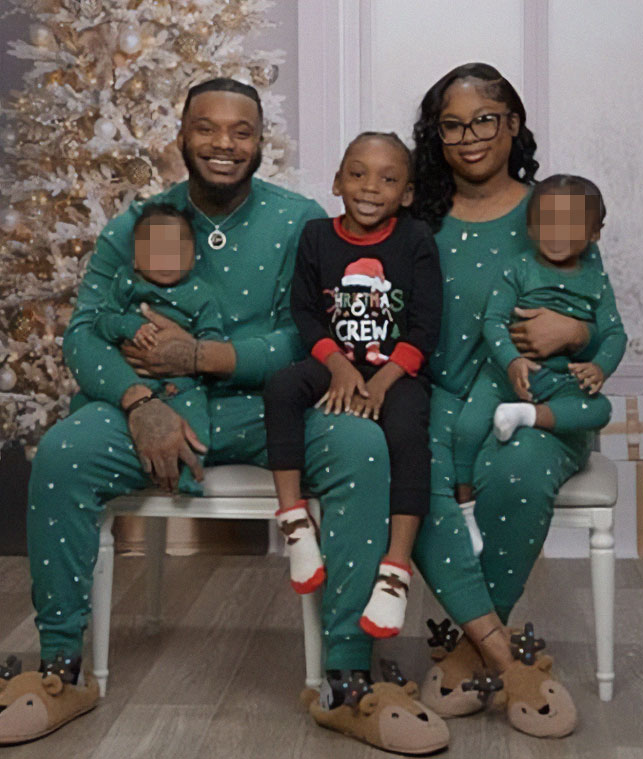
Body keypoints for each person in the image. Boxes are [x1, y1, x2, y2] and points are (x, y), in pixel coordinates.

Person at [2, 77, 448, 754]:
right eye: (206, 127)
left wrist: (203, 354)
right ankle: (61, 668)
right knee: (63, 452)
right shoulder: (137, 224)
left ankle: (348, 677)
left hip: (271, 407)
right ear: (180, 136)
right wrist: (137, 399)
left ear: (260, 141)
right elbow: (84, 333)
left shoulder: (301, 221)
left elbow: (305, 335)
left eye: (241, 131)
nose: (223, 144)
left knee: (360, 443)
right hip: (154, 410)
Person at [398, 63, 619, 738]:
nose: (468, 137)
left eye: (484, 120)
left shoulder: (551, 206)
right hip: (433, 396)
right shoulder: (417, 218)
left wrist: (576, 330)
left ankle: (466, 649)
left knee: (516, 470)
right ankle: (504, 654)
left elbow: (596, 309)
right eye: (452, 125)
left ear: (513, 124)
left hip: (537, 398)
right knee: (414, 472)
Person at [264, 132, 442, 639]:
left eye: (388, 179)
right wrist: (338, 366)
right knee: (281, 388)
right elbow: (304, 311)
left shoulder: (415, 240)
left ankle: (395, 570)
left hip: (396, 370)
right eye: (358, 173)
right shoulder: (318, 236)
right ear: (338, 179)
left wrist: (384, 381)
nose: (370, 187)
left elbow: (427, 326)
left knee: (408, 434)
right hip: (336, 362)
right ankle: (295, 521)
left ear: (406, 194)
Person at [453, 174, 627, 508]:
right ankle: (465, 507)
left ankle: (528, 416)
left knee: (599, 409)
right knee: (467, 427)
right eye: (547, 221)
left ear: (594, 234)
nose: (557, 233)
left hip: (563, 380)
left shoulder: (596, 280)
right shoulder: (517, 269)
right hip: (506, 376)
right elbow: (494, 321)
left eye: (571, 223)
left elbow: (614, 333)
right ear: (530, 228)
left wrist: (599, 367)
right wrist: (512, 361)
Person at [92, 202, 226, 494]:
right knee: (91, 409)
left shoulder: (200, 295)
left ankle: (190, 475)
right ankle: (131, 466)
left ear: (192, 258)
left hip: (182, 384)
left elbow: (214, 340)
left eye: (176, 250)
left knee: (196, 418)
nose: (166, 258)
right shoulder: (127, 284)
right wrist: (130, 327)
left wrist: (193, 350)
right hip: (134, 379)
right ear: (137, 260)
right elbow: (102, 321)